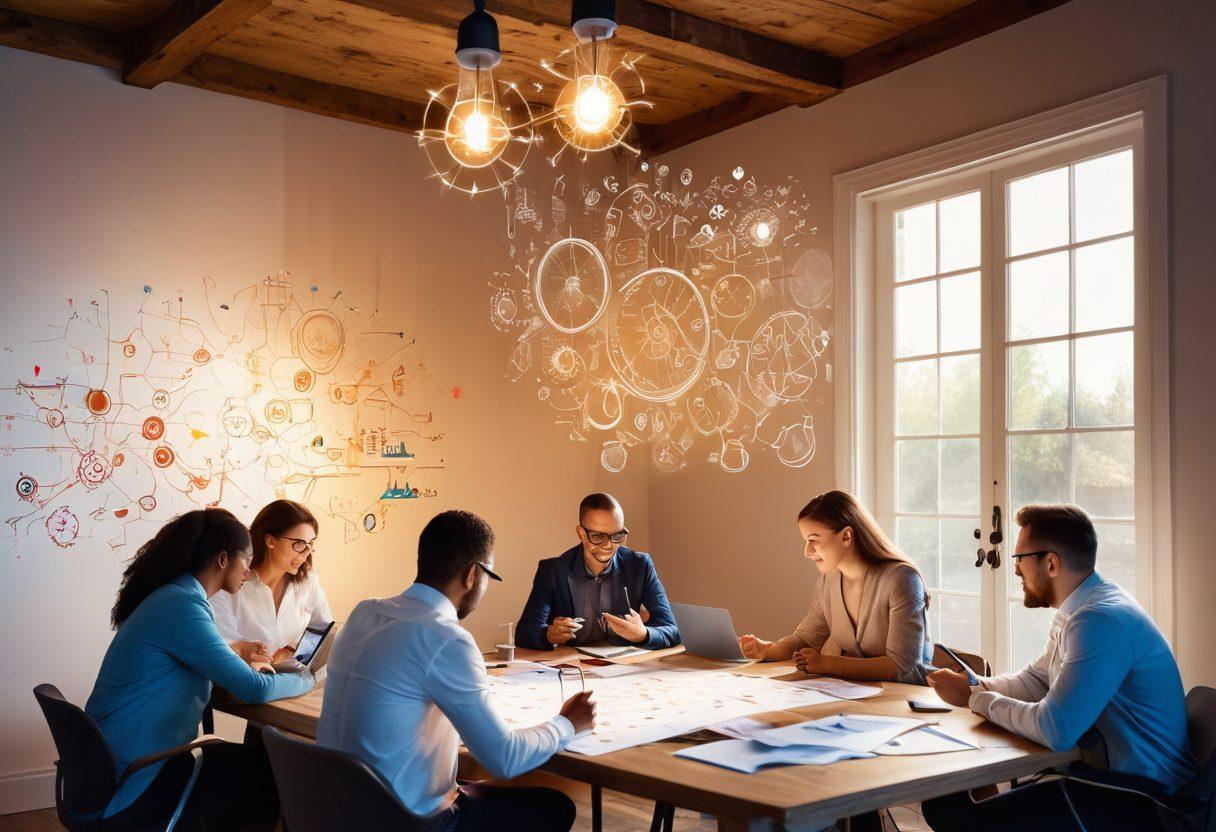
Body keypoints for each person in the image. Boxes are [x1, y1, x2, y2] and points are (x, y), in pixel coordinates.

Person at [922, 504, 1196, 831]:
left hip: (1145, 803)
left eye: (1019, 559)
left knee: (951, 810)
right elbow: (1037, 679)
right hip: (1110, 784)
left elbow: (1057, 730)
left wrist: (974, 701)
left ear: (1051, 563)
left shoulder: (1099, 621)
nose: (1015, 570)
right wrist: (978, 685)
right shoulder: (1082, 609)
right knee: (944, 802)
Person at [318, 510, 595, 831]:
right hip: (404, 822)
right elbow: (503, 759)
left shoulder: (364, 612)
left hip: (332, 810)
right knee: (553, 806)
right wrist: (567, 724)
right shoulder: (446, 638)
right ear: (472, 575)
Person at [85, 508, 315, 829]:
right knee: (275, 774)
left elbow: (199, 661)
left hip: (119, 763)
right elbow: (254, 688)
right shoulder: (182, 607)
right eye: (246, 560)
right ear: (223, 560)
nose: (249, 571)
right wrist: (308, 678)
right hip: (139, 774)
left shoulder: (174, 597)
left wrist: (236, 656)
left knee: (260, 767)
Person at [736, 490, 932, 684]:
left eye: (814, 540)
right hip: (859, 697)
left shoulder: (902, 580)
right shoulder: (828, 581)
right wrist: (767, 649)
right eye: (806, 541)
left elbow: (904, 666)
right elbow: (805, 638)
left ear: (846, 536)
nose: (807, 551)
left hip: (904, 702)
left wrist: (828, 664)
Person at [516, 492, 679, 651]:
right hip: (571, 666)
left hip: (625, 666)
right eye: (597, 536)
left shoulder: (640, 565)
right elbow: (524, 632)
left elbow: (671, 630)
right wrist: (549, 634)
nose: (608, 545)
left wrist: (643, 634)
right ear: (581, 533)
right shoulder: (553, 571)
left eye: (616, 535)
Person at [209, 499, 332, 666]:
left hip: (290, 680)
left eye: (310, 545)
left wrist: (293, 653)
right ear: (270, 540)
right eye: (299, 544)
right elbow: (220, 647)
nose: (305, 554)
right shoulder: (231, 583)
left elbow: (324, 631)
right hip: (238, 684)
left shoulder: (308, 582)